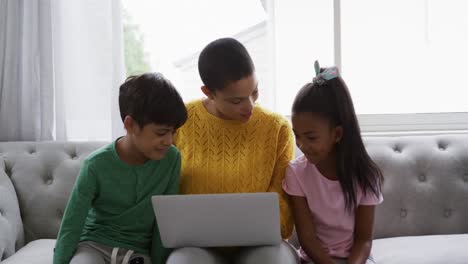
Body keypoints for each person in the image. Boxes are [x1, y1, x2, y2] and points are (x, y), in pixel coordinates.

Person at [169, 38, 298, 264]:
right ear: (208, 92)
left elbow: (285, 212)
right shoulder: (180, 120)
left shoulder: (277, 129)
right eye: (236, 100)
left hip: (262, 246)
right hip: (196, 246)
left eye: (254, 92)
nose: (249, 106)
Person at [53, 73, 187, 264]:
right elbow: (71, 224)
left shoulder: (172, 159)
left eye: (173, 132)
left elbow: (164, 222)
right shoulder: (95, 165)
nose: (169, 141)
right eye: (161, 133)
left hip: (138, 253)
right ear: (130, 125)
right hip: (93, 246)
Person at [283, 61, 384, 264]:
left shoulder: (366, 176)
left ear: (337, 134)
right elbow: (307, 239)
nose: (301, 145)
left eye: (311, 138)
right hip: (316, 259)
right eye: (297, 136)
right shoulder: (296, 173)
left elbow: (364, 240)